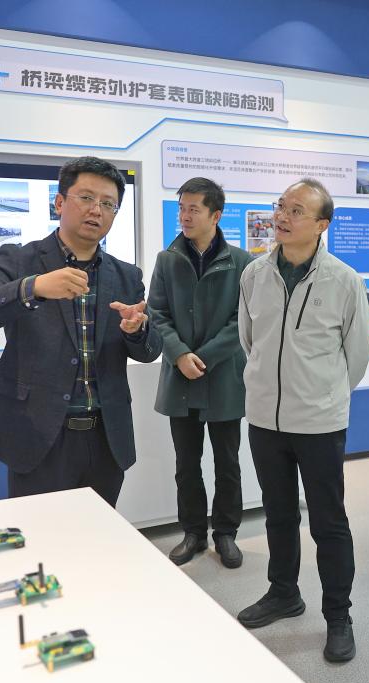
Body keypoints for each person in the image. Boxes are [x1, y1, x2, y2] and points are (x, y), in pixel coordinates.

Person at [0, 156, 161, 506]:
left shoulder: (127, 275)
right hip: (38, 436)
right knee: (40, 534)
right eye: (86, 197)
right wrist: (33, 287)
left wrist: (136, 329)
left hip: (105, 438)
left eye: (108, 204)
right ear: (60, 203)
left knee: (98, 532)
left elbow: (150, 350)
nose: (96, 210)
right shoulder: (20, 260)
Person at [235, 178, 369, 664]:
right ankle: (284, 592)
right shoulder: (254, 274)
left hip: (319, 422)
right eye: (281, 206)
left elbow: (357, 355)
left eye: (297, 210)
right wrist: (268, 388)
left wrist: (322, 395)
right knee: (277, 513)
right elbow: (249, 340)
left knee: (329, 522)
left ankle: (338, 615)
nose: (283, 216)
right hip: (264, 419)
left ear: (321, 224)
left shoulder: (343, 280)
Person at [149, 177, 254, 568]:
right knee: (186, 464)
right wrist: (179, 354)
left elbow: (243, 319)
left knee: (228, 463)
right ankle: (192, 532)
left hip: (223, 375)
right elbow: (156, 312)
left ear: (216, 215)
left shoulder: (242, 262)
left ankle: (226, 533)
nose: (185, 216)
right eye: (182, 208)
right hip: (180, 376)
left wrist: (203, 357)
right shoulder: (167, 259)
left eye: (194, 209)